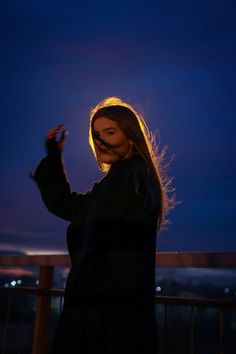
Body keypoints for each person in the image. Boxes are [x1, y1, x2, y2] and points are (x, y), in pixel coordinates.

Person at [32, 97, 172, 354]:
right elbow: (71, 207)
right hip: (107, 314)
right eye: (97, 135)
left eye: (110, 132)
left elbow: (81, 216)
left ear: (131, 136)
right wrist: (54, 156)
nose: (101, 141)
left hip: (108, 319)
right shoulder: (119, 180)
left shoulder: (131, 180)